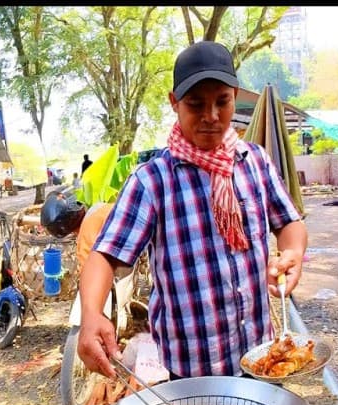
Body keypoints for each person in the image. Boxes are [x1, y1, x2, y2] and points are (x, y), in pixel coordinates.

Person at [77, 40, 307, 381]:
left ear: (234, 95)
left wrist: (293, 252)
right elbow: (105, 255)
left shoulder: (255, 162)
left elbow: (290, 222)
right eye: (196, 104)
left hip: (261, 361)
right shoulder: (153, 181)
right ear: (174, 103)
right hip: (191, 375)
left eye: (222, 102)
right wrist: (91, 314)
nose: (211, 116)